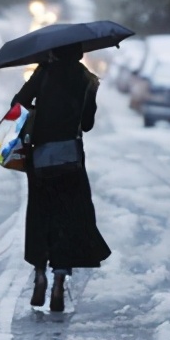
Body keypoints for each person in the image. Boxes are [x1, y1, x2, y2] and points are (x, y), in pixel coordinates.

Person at [11, 42, 111, 312]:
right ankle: (58, 281)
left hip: (40, 159)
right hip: (71, 160)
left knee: (40, 216)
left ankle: (39, 274)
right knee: (66, 217)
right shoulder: (86, 79)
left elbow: (17, 104)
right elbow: (87, 124)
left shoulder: (44, 72)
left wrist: (38, 109)